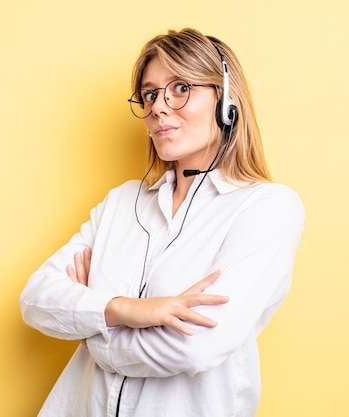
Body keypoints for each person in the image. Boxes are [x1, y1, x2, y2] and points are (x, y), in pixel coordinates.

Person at [20, 27, 305, 417]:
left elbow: (195, 346)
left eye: (180, 88)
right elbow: (37, 298)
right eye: (151, 94)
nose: (158, 107)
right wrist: (123, 310)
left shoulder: (267, 207)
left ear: (226, 102)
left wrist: (91, 333)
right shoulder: (123, 202)